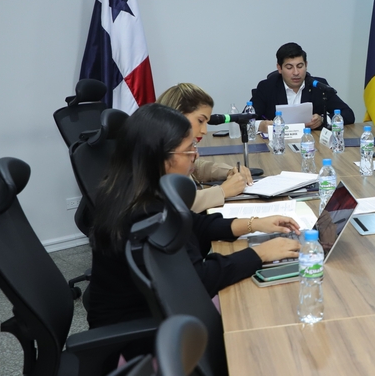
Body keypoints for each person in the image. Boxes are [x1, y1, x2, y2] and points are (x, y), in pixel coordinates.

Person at [86, 103, 301, 331]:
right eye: (189, 150)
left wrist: (254, 224)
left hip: (157, 308)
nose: (195, 156)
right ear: (161, 157)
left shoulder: (136, 188)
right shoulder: (146, 213)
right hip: (142, 332)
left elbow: (196, 224)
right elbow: (197, 280)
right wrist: (260, 253)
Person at [157, 83, 253, 212]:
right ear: (177, 114)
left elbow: (196, 167)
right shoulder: (156, 152)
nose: (204, 131)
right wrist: (222, 191)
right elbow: (174, 205)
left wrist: (229, 171)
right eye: (200, 121)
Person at [251, 42, 355, 132]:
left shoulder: (318, 87)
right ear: (279, 68)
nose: (296, 72)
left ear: (306, 65)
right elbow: (246, 119)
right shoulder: (267, 87)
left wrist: (323, 120)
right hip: (277, 143)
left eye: (300, 66)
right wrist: (260, 125)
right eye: (289, 67)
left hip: (309, 142)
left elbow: (348, 114)